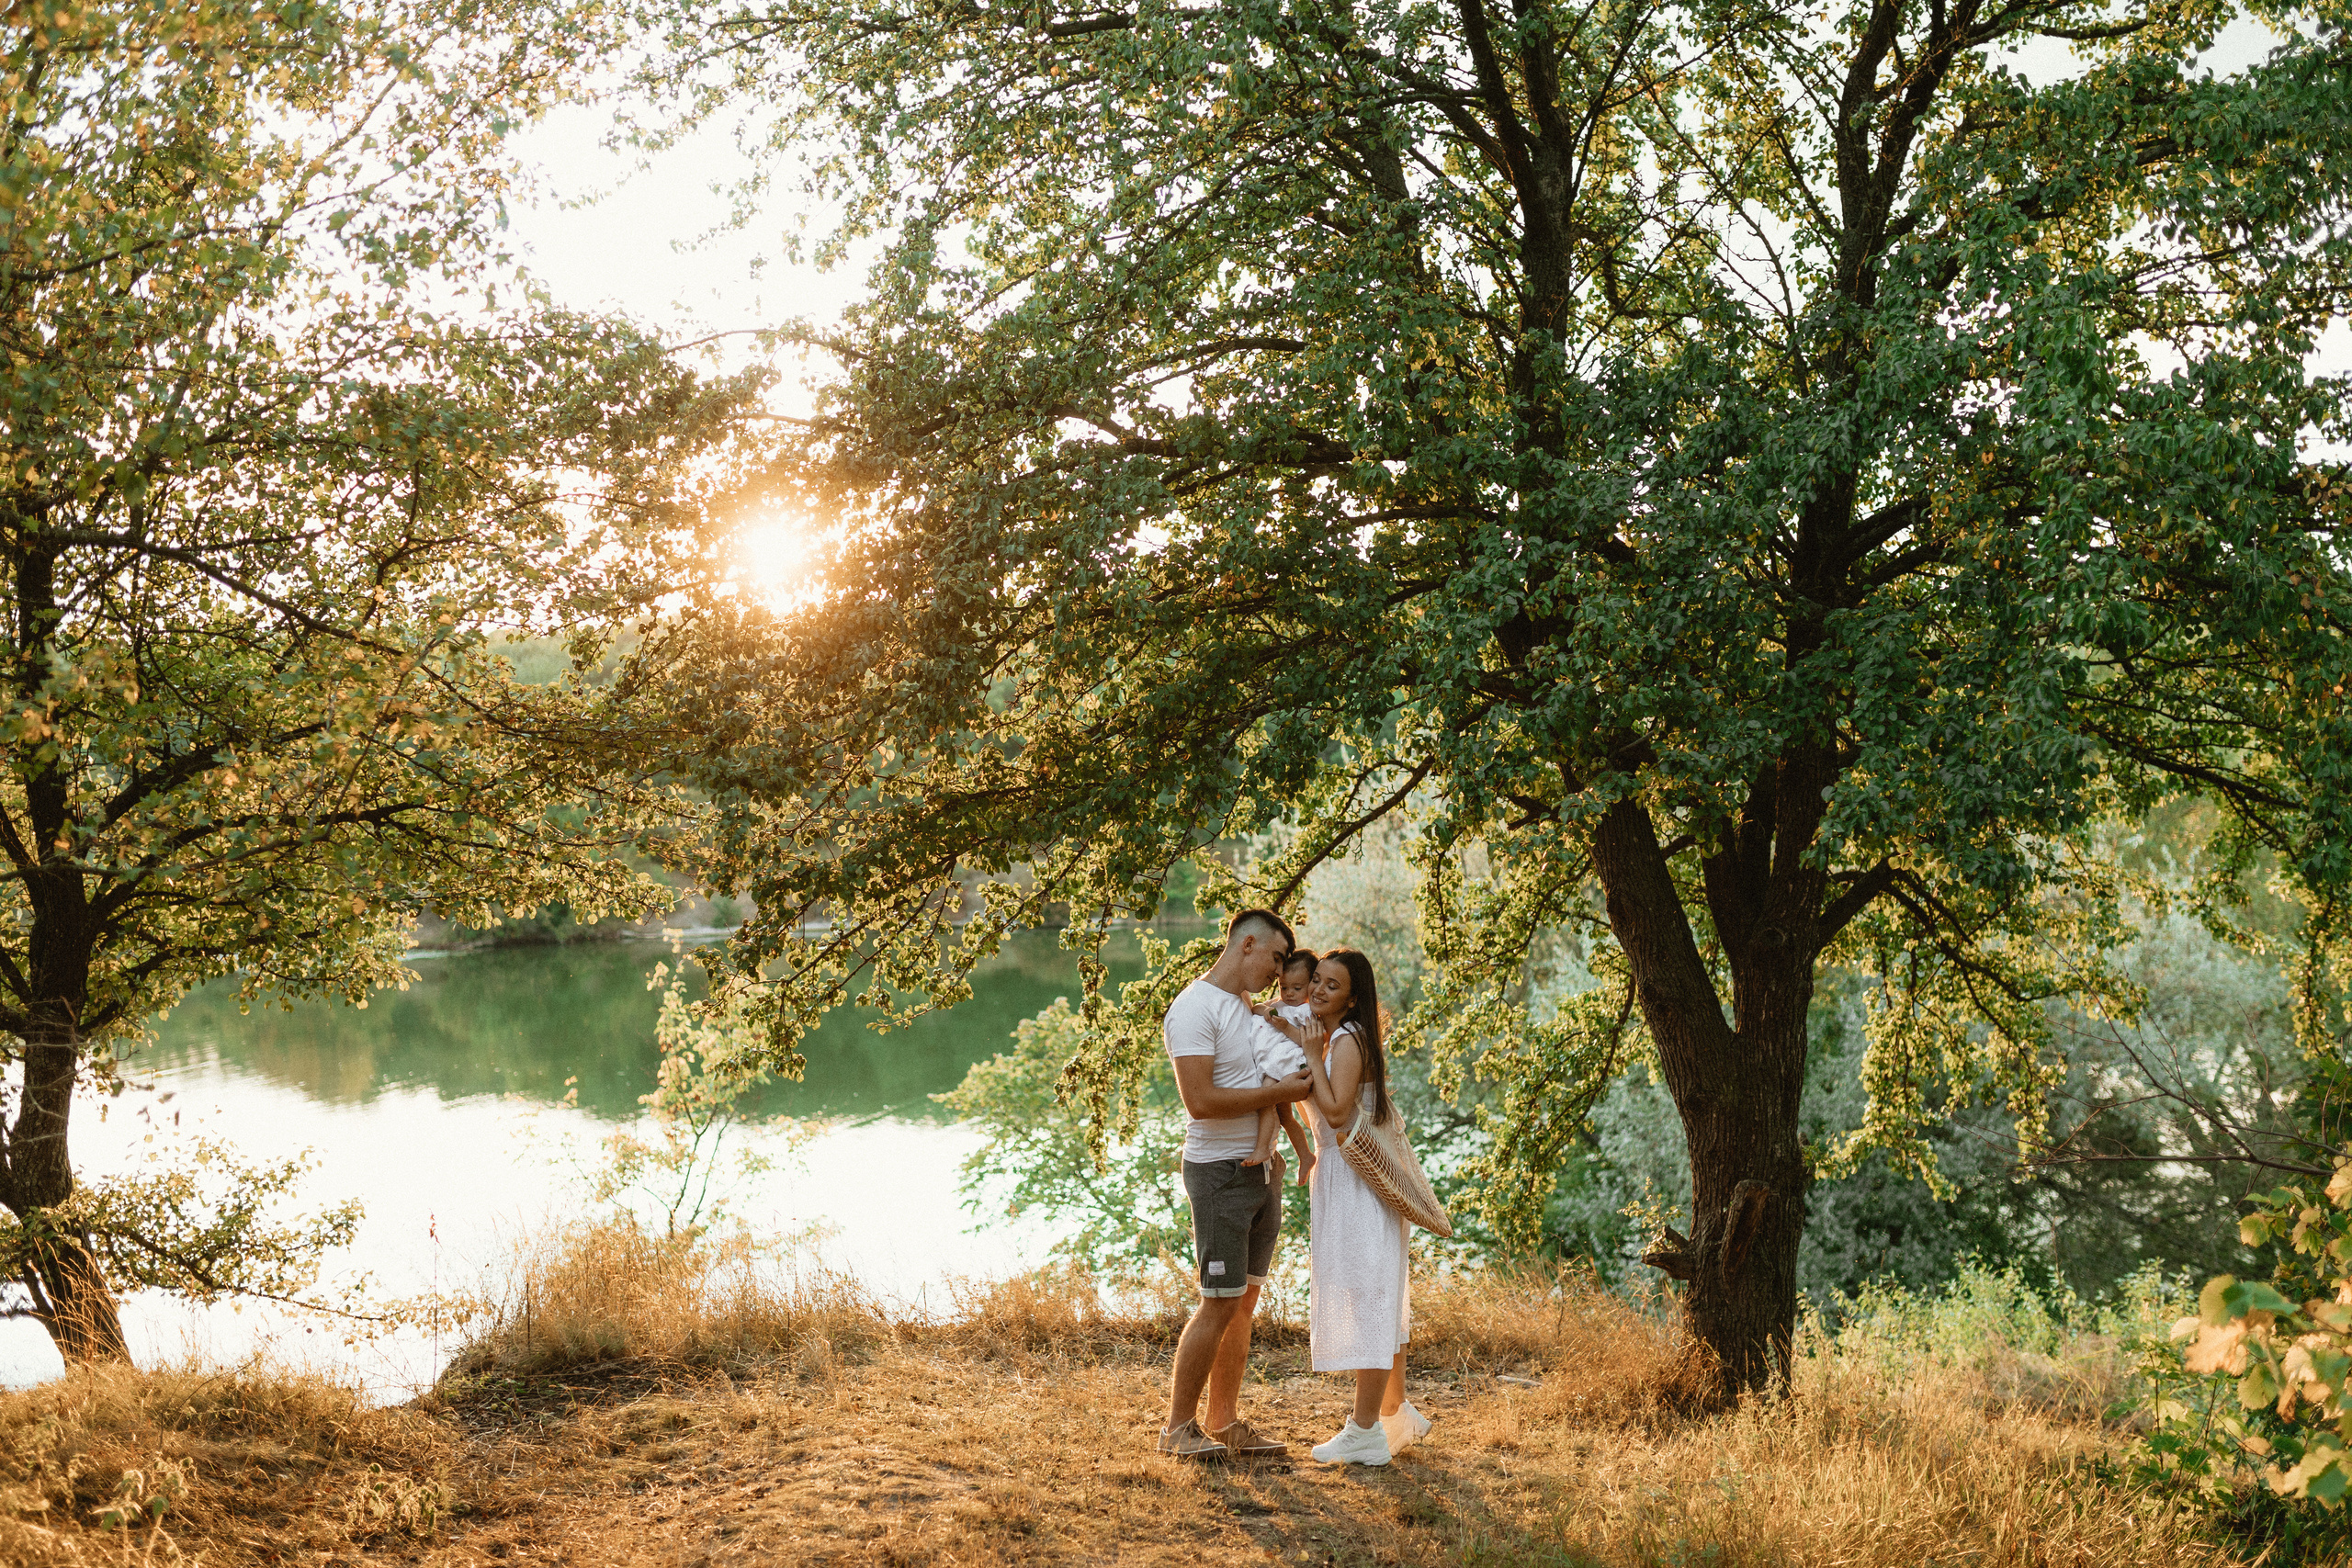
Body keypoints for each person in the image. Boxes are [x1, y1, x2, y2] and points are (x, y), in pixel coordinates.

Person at [1157, 908, 1316, 1461]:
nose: (1279, 973)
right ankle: (1178, 1429)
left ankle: (1223, 1423)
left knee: (1242, 1304)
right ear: (1246, 945)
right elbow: (1199, 1103)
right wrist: (1286, 1096)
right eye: (1275, 958)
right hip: (1219, 1173)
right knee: (1217, 1303)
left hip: (1259, 1171)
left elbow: (1267, 1071)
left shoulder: (1245, 1007)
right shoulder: (1194, 1008)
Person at [1288, 947, 1431, 1466]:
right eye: (1317, 982)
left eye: (1332, 986)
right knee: (1379, 1296)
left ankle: (1365, 1430)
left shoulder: (1347, 1039)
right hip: (1344, 1178)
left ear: (1352, 998)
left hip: (1356, 1184)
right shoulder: (1338, 1036)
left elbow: (1336, 1109)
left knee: (1370, 1299)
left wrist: (1308, 1054)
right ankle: (1395, 1414)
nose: (1318, 992)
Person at [1243, 948, 1317, 1183]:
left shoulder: (1308, 1012)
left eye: (1297, 988)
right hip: (1276, 1063)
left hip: (1288, 1063)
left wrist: (1286, 1027)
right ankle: (1305, 1155)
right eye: (1284, 987)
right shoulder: (1280, 1004)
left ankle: (1262, 1147)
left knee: (1266, 1100)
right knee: (1285, 1116)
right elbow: (1255, 1008)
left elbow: (1309, 1044)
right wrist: (1267, 1011)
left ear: (1311, 986)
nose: (1290, 994)